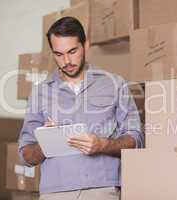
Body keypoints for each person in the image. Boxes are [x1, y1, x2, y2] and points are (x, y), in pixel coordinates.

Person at [18, 16, 144, 200]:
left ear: (86, 45)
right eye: (58, 54)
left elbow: (136, 138)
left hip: (101, 190)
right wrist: (46, 143)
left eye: (72, 51)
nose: (66, 61)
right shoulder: (40, 93)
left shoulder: (114, 84)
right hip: (55, 193)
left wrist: (104, 145)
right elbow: (25, 155)